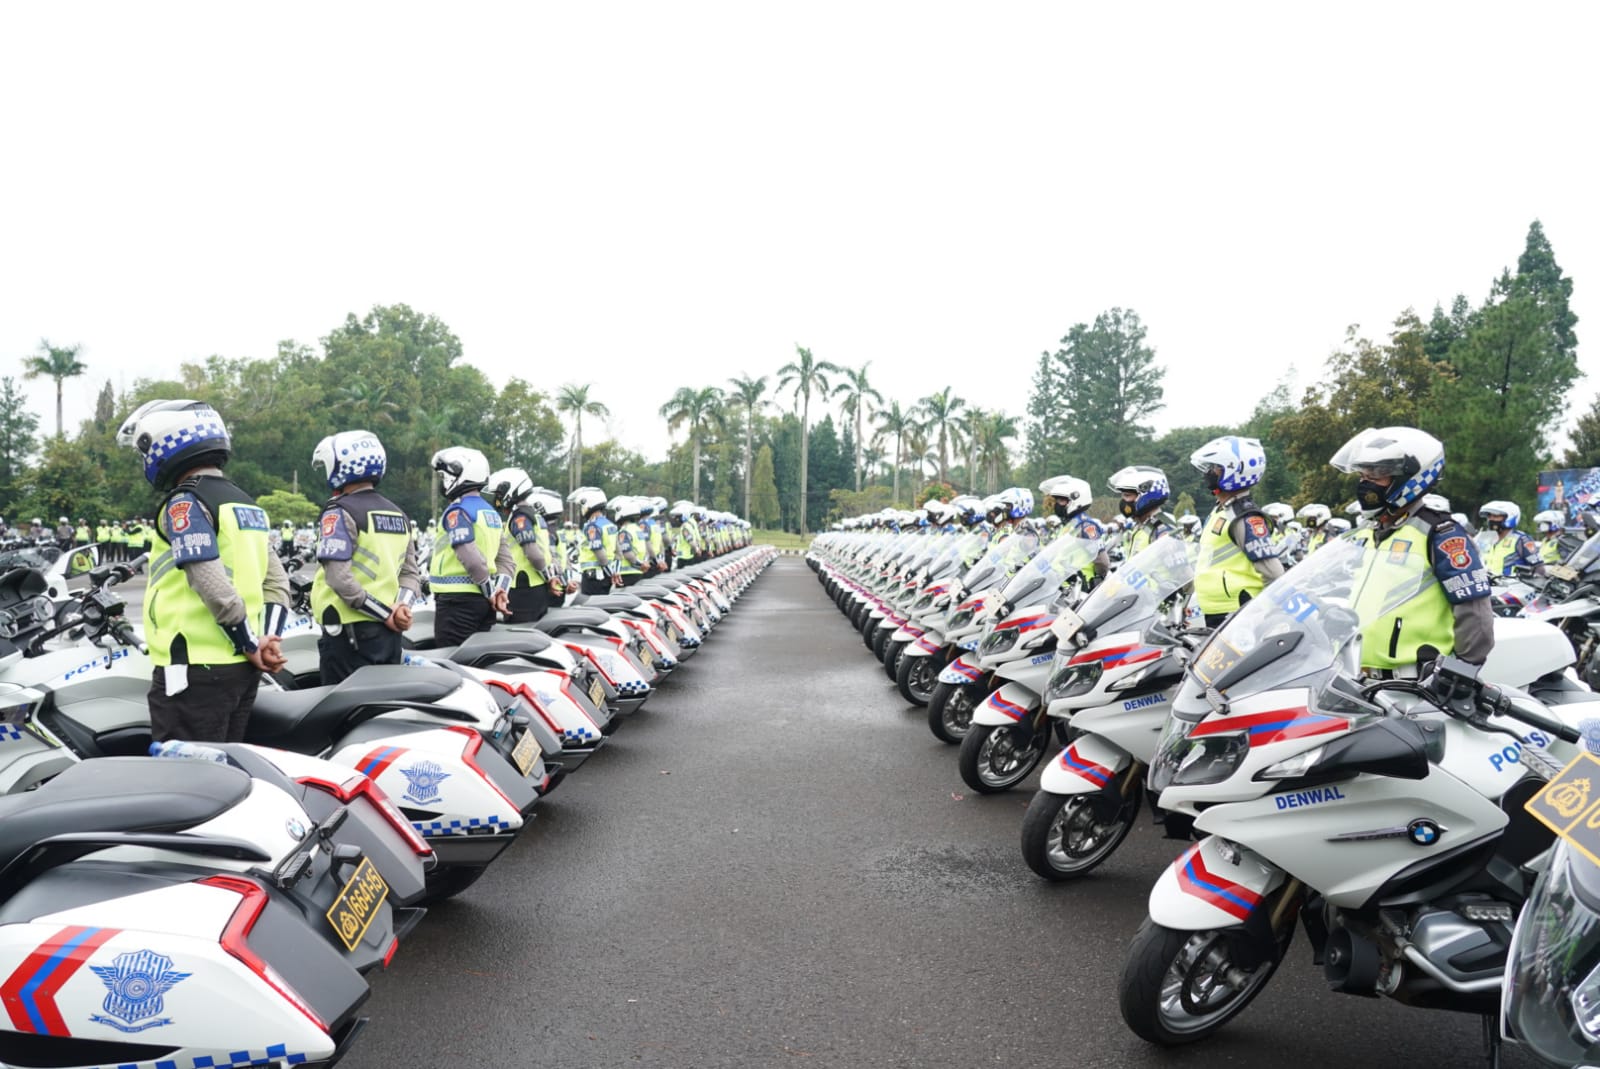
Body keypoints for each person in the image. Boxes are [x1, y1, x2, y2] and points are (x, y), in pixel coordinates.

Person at [115, 399, 290, 742]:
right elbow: (277, 582)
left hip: (194, 667)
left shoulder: (186, 502)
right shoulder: (246, 504)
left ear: (168, 443)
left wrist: (250, 645)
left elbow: (210, 583)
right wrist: (266, 640)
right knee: (225, 769)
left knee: (186, 779)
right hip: (240, 669)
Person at [1331, 427, 1493, 670]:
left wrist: (1463, 671)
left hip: (1412, 683)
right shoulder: (1368, 531)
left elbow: (1475, 612)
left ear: (1409, 477)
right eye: (1363, 474)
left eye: (1376, 474)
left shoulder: (1440, 533)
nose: (1366, 483)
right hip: (1354, 673)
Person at [308, 431, 421, 684]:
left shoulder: (339, 511)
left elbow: (338, 578)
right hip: (389, 635)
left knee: (342, 717)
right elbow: (410, 573)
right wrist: (401, 607)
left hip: (349, 636)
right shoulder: (398, 515)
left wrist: (385, 614)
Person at [1190, 435, 1284, 627]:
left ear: (1233, 471)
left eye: (1215, 468)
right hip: (1214, 609)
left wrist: (1264, 614)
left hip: (1237, 610)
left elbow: (1273, 573)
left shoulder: (1245, 517)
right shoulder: (1220, 511)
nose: (1209, 473)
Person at [428, 447, 512, 645]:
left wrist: (490, 592)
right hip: (483, 603)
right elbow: (507, 561)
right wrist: (499, 590)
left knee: (452, 662)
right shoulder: (490, 512)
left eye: (444, 476)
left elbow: (471, 558)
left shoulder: (457, 511)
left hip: (457, 601)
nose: (442, 482)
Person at [485, 468, 564, 623]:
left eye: (499, 494)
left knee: (517, 637)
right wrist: (550, 576)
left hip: (523, 587)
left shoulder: (520, 517)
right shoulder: (536, 515)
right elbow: (547, 552)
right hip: (537, 587)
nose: (497, 499)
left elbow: (533, 553)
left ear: (512, 490)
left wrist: (548, 577)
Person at [1039, 475, 1110, 580]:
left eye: (1062, 501)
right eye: (1057, 500)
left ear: (1076, 500)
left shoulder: (1085, 526)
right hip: (1062, 585)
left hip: (1080, 587)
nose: (1057, 505)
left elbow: (1102, 562)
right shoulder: (1070, 525)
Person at [1108, 465, 1175, 557]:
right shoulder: (1141, 525)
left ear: (1147, 496)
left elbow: (1181, 569)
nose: (1123, 501)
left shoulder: (1162, 528)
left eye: (1127, 495)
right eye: (1122, 496)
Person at [571, 486, 623, 595]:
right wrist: (615, 572)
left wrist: (611, 573)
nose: (581, 509)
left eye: (582, 506)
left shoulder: (592, 526)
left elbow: (599, 552)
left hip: (594, 576)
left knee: (589, 608)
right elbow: (618, 553)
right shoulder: (610, 525)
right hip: (606, 576)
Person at [1476, 501, 1543, 576]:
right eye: (1489, 516)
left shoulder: (1522, 539)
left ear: (1509, 517)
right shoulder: (1484, 539)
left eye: (1496, 516)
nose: (1491, 519)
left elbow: (1539, 568)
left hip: (1512, 586)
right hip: (1486, 585)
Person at [610, 495, 650, 587]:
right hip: (639, 573)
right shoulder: (637, 529)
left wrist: (640, 565)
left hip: (627, 575)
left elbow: (627, 553)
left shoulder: (624, 531)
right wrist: (644, 564)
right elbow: (645, 549)